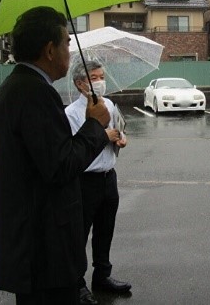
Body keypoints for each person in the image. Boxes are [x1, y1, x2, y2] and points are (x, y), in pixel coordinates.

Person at [0, 6, 111, 305]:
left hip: (30, 243)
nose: (71, 49)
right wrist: (95, 124)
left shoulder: (13, 87)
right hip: (45, 249)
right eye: (67, 42)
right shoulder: (36, 94)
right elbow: (61, 165)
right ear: (50, 50)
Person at [65, 60, 131, 304]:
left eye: (101, 76)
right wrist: (103, 135)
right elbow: (74, 149)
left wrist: (121, 138)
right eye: (93, 77)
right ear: (80, 84)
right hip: (84, 181)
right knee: (79, 234)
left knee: (105, 231)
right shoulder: (71, 113)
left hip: (108, 177)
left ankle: (102, 276)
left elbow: (119, 130)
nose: (99, 82)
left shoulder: (110, 105)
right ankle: (77, 283)